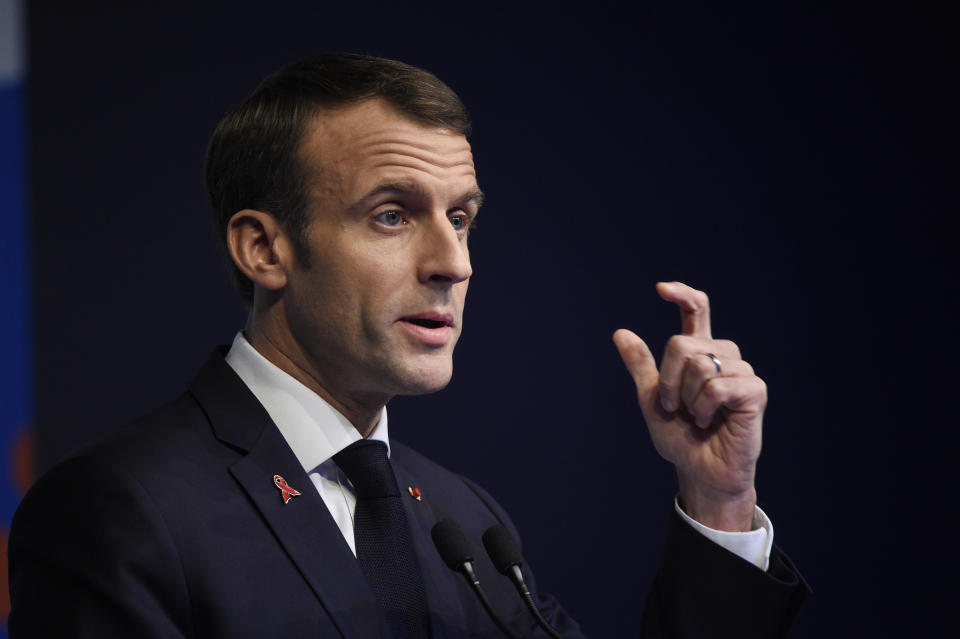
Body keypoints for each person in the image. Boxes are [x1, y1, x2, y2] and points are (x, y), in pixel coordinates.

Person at [8, 54, 808, 638]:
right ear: (264, 249)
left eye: (460, 218)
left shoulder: (467, 524)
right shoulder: (121, 511)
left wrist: (718, 501)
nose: (454, 263)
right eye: (392, 214)